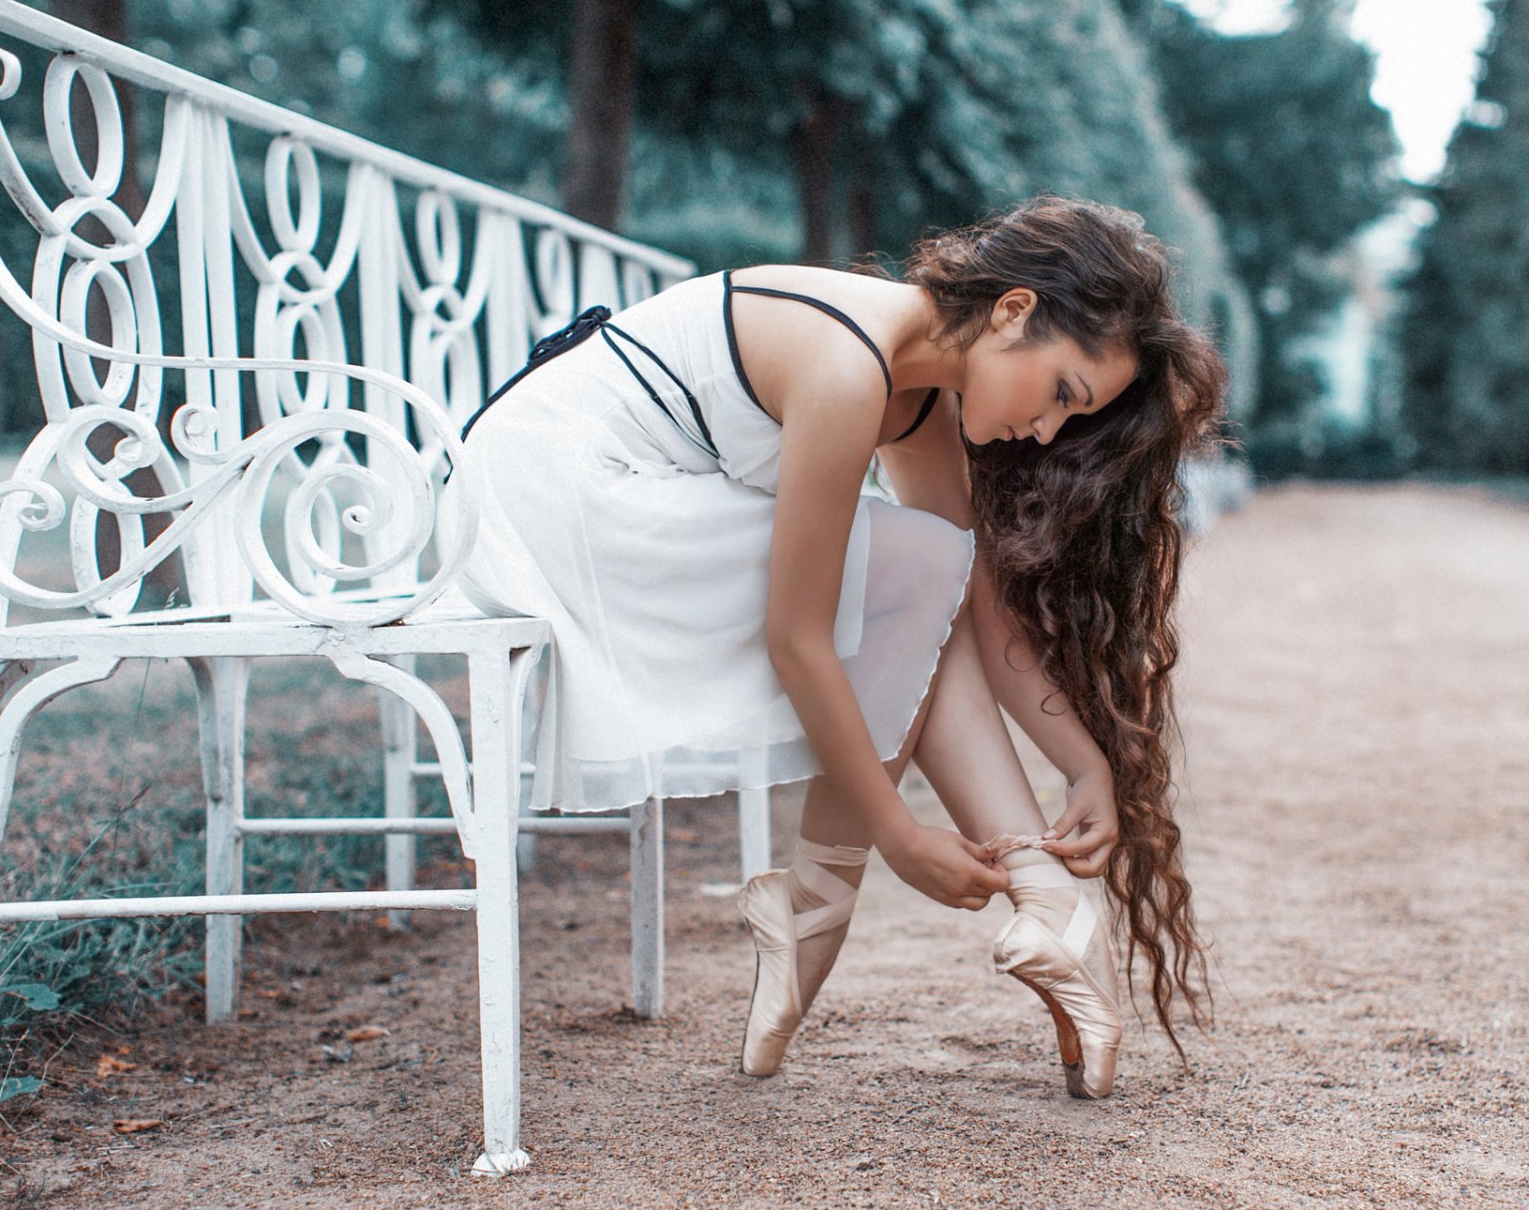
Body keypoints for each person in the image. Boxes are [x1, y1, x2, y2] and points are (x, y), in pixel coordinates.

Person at [456, 193, 1226, 1098]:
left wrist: (1085, 763)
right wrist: (899, 837)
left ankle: (987, 904)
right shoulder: (847, 362)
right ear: (1014, 310)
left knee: (925, 573)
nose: (1049, 430)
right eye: (1061, 391)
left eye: (1072, 416)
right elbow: (797, 639)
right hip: (548, 498)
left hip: (609, 499)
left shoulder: (910, 391)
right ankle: (930, 902)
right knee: (909, 570)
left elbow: (972, 603)